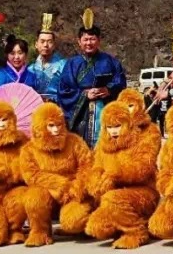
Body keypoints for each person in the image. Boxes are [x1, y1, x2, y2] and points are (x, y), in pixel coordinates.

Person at [57, 9, 127, 149]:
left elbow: (121, 83)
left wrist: (109, 90)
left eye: (92, 39)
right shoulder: (72, 64)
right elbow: (64, 90)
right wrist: (84, 94)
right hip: (81, 115)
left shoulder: (111, 62)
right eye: (85, 39)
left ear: (99, 40)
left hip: (103, 110)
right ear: (79, 41)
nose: (89, 43)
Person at [28, 14, 64, 103]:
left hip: (57, 107)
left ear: (54, 45)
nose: (45, 45)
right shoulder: (30, 69)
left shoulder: (64, 65)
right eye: (42, 41)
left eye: (49, 42)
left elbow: (69, 91)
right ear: (36, 44)